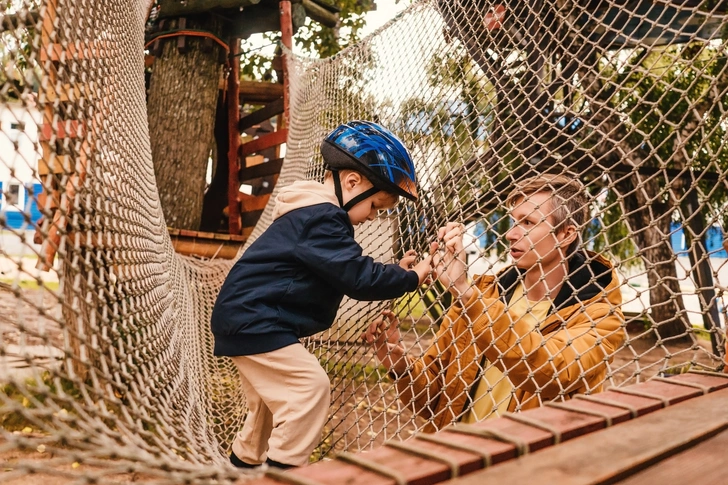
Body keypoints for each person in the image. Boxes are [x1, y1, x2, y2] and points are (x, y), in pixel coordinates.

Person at [211, 121, 433, 469]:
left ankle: (242, 469)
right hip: (256, 319)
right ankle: (282, 474)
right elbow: (358, 277)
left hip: (247, 316)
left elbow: (345, 264)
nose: (372, 217)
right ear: (352, 182)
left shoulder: (313, 214)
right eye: (375, 206)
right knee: (310, 389)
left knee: (266, 412)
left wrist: (397, 270)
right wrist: (410, 278)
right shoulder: (323, 218)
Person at [363, 174, 626, 432]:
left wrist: (465, 294)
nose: (511, 234)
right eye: (514, 221)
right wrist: (399, 364)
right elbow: (436, 402)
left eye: (528, 222)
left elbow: (547, 371)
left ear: (565, 235)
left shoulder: (600, 314)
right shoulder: (485, 294)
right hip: (455, 455)